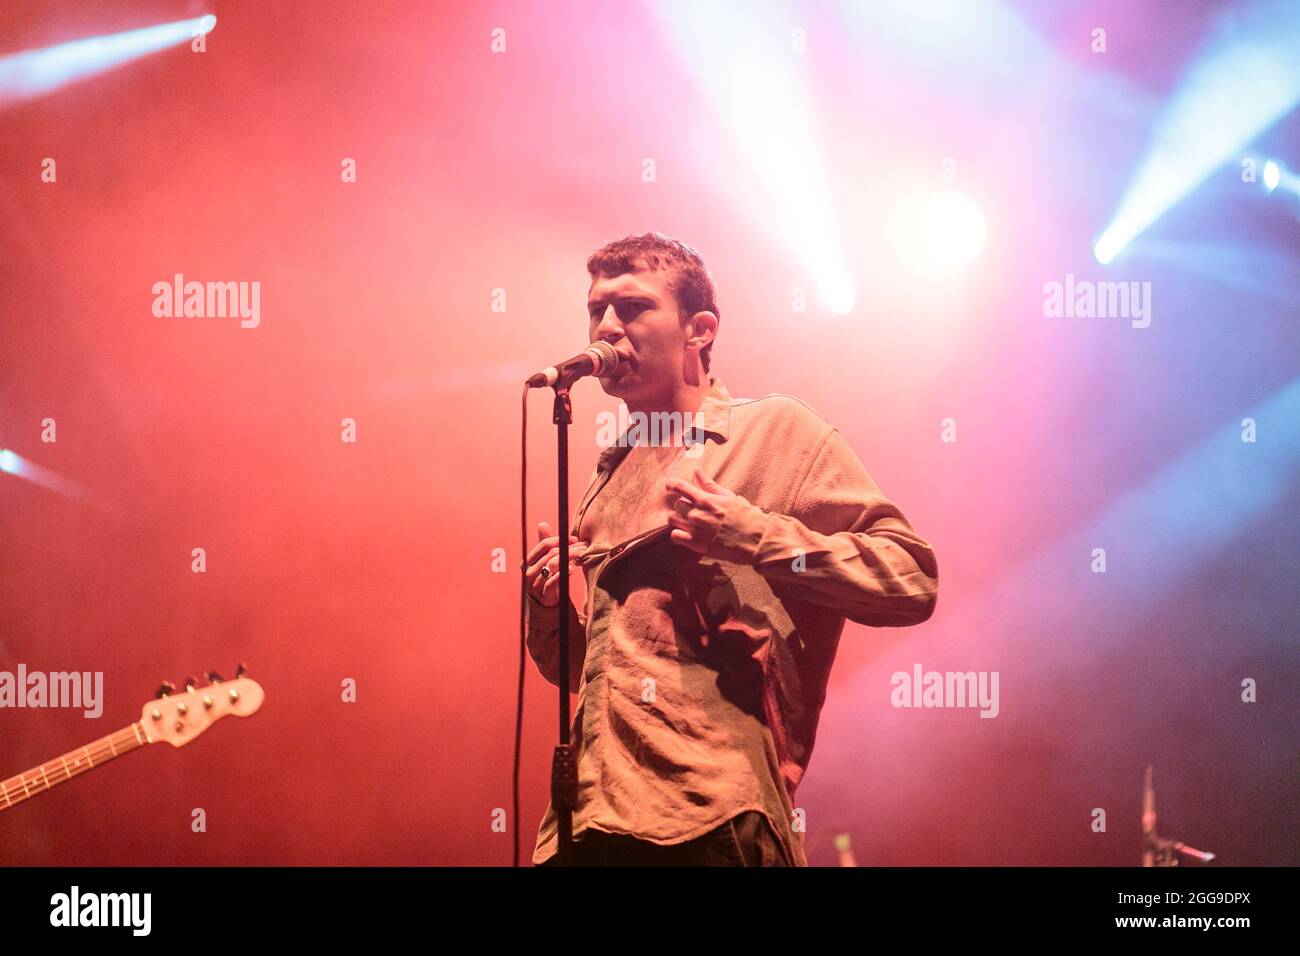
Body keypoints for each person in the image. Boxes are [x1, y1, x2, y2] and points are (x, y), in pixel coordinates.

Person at [524, 233, 938, 866]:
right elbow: (602, 669)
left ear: (699, 329)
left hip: (712, 819)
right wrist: (549, 607)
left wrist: (758, 537)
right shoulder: (607, 476)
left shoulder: (774, 431)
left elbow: (910, 582)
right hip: (588, 826)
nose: (607, 326)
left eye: (632, 307)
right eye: (596, 309)